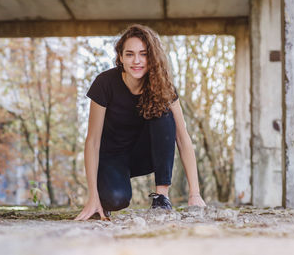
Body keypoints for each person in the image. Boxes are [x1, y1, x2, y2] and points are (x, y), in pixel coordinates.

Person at [74, 24, 206, 221]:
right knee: (116, 199)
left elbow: (182, 137)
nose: (137, 61)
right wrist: (93, 196)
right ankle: (104, 198)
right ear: (120, 57)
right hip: (113, 157)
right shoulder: (104, 84)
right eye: (129, 54)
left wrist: (195, 194)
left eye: (143, 54)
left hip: (146, 154)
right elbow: (92, 141)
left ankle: (162, 198)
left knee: (165, 114)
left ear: (151, 57)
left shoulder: (163, 86)